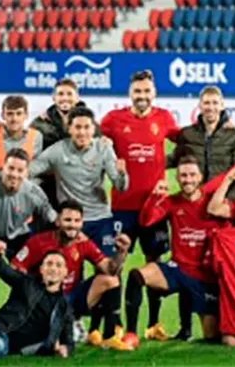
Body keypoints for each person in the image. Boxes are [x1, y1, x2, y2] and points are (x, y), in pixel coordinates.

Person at [100, 70, 180, 341]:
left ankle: (154, 324)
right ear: (130, 93)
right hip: (122, 206)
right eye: (138, 92)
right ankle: (116, 324)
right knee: (116, 264)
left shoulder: (165, 118)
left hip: (154, 207)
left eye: (147, 92)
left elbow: (186, 144)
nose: (142, 96)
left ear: (154, 94)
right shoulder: (113, 120)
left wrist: (167, 166)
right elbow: (93, 142)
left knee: (154, 264)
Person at [123, 156, 229, 348]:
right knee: (136, 276)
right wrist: (154, 196)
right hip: (178, 269)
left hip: (205, 277)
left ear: (200, 177)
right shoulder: (172, 201)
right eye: (183, 176)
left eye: (191, 175)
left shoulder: (214, 204)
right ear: (177, 179)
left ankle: (188, 326)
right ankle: (131, 334)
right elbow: (146, 221)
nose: (187, 180)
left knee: (213, 336)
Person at [12, 201, 132, 351]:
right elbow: (16, 268)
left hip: (72, 298)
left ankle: (109, 336)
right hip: (45, 302)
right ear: (57, 221)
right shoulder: (38, 242)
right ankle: (58, 327)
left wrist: (121, 252)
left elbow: (110, 269)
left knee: (110, 280)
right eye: (67, 220)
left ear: (82, 223)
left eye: (77, 221)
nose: (72, 225)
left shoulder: (83, 242)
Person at [29, 106, 128, 256]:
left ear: (93, 129)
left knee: (109, 274)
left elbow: (120, 187)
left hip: (100, 219)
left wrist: (122, 174)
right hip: (71, 221)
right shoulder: (57, 151)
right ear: (69, 129)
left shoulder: (103, 148)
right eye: (78, 127)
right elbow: (29, 171)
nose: (82, 132)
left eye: (87, 127)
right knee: (70, 274)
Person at [0, 149, 57, 307]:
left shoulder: (34, 193)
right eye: (11, 168)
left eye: (20, 170)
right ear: (3, 168)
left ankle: (24, 319)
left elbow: (52, 219)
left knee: (37, 275)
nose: (14, 174)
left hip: (17, 236)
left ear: (27, 173)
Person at [30, 78, 99, 208]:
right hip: (49, 187)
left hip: (80, 188)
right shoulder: (40, 123)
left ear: (77, 98)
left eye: (69, 94)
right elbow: (31, 155)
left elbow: (99, 152)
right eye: (61, 94)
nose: (65, 98)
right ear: (54, 98)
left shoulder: (90, 123)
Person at [169, 86, 235, 182]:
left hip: (222, 195)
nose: (210, 107)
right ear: (200, 106)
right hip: (194, 195)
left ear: (222, 106)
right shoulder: (186, 134)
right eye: (207, 103)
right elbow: (175, 159)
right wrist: (148, 160)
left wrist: (228, 197)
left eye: (215, 103)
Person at [0, 95, 43, 169]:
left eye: (19, 113)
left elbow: (36, 170)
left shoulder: (36, 137)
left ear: (26, 115)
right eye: (10, 114)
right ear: (3, 115)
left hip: (23, 180)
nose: (14, 119)